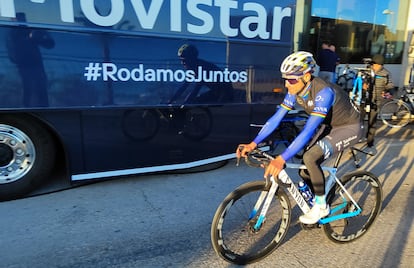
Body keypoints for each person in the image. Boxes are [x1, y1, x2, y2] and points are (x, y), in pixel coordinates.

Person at [236, 51, 362, 224]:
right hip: (329, 125)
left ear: (307, 76)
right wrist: (253, 143)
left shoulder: (324, 92)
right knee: (305, 166)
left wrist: (281, 158)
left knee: (310, 157)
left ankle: (321, 206)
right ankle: (319, 199)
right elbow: (275, 119)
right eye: (285, 79)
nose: (287, 84)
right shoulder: (295, 90)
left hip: (349, 127)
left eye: (292, 79)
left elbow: (308, 131)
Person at [6, 12, 55, 107]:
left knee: (41, 88)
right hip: (23, 66)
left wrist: (43, 35)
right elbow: (12, 48)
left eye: (23, 19)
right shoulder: (12, 32)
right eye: (19, 19)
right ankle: (27, 109)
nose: (21, 21)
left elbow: (50, 44)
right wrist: (29, 38)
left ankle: (43, 107)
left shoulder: (31, 30)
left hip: (36, 65)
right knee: (27, 89)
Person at [168, 44, 233, 104]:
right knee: (195, 101)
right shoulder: (193, 68)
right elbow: (184, 86)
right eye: (181, 60)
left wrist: (186, 103)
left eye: (185, 60)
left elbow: (196, 89)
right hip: (216, 91)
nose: (182, 63)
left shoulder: (201, 67)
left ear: (192, 59)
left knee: (195, 102)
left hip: (225, 91)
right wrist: (171, 101)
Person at [364, 54, 395, 151]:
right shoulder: (368, 72)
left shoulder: (386, 74)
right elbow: (361, 82)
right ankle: (358, 137)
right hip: (365, 100)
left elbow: (390, 86)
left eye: (376, 64)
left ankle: (370, 141)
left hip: (376, 101)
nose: (374, 66)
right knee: (359, 120)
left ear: (380, 65)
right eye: (373, 64)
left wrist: (387, 92)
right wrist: (364, 85)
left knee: (372, 122)